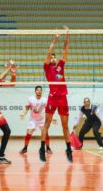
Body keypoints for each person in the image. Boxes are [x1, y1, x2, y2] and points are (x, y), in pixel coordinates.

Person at [39, 26, 73, 163]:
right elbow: (49, 53)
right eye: (51, 57)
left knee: (65, 125)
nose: (53, 58)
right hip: (52, 98)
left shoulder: (60, 66)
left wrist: (67, 34)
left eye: (54, 57)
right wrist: (55, 38)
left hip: (63, 98)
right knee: (46, 123)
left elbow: (65, 50)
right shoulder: (47, 68)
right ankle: (42, 149)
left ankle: (69, 149)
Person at [19, 86, 54, 154]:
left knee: (46, 134)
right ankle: (25, 148)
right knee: (28, 134)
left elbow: (48, 111)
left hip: (42, 120)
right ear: (35, 91)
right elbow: (27, 108)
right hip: (33, 120)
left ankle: (48, 148)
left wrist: (52, 118)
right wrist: (24, 114)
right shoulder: (31, 99)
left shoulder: (45, 100)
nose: (39, 91)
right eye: (38, 90)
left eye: (40, 90)